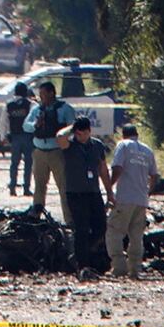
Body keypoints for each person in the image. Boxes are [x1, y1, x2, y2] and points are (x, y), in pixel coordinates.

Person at [56, 116, 111, 272]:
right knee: (81, 228)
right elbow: (60, 137)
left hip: (93, 191)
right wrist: (72, 127)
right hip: (75, 192)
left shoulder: (97, 146)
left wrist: (109, 192)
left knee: (101, 226)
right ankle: (83, 264)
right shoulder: (70, 145)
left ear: (89, 131)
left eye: (83, 133)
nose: (80, 136)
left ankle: (87, 253)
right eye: (77, 134)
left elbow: (103, 169)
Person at [106, 124, 159, 278]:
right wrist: (147, 192)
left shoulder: (123, 145)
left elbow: (117, 167)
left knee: (114, 231)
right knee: (136, 236)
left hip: (125, 197)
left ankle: (119, 267)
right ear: (137, 134)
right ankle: (135, 269)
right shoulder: (147, 150)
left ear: (124, 135)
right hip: (141, 199)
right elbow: (154, 175)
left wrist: (110, 186)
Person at [23, 82, 76, 221]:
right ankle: (36, 218)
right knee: (39, 187)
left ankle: (69, 220)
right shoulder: (36, 110)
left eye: (43, 94)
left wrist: (62, 135)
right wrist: (36, 124)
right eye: (40, 95)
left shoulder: (65, 109)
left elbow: (73, 127)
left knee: (64, 187)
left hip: (58, 152)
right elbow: (26, 126)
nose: (41, 97)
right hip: (39, 153)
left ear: (52, 93)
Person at [5, 82, 34, 197]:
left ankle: (12, 187)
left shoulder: (9, 105)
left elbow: (4, 122)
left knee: (14, 163)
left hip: (15, 137)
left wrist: (4, 136)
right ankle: (26, 188)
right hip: (27, 136)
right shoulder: (30, 104)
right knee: (28, 163)